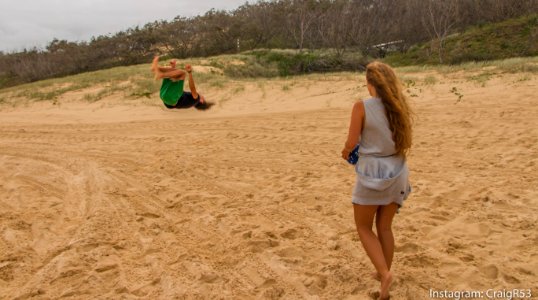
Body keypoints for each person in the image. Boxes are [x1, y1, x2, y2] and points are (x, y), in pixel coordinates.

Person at [341, 61, 413, 300]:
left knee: (363, 226)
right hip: (398, 169)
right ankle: (384, 273)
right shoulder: (399, 106)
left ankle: (384, 272)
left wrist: (346, 152)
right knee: (385, 226)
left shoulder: (361, 106)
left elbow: (351, 144)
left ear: (370, 84)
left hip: (372, 172)